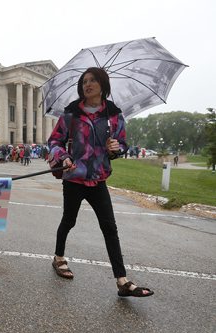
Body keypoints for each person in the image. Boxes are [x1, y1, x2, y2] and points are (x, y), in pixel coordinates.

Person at [48, 67, 153, 297]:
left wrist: (116, 148)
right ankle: (58, 258)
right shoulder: (71, 114)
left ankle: (122, 281)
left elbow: (123, 144)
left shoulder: (114, 115)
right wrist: (63, 157)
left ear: (102, 84)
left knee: (110, 228)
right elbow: (54, 141)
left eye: (93, 80)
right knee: (69, 220)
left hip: (98, 179)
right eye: (84, 81)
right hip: (74, 177)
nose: (88, 84)